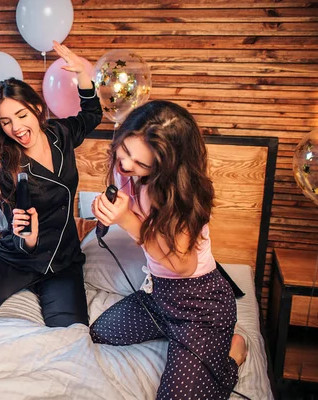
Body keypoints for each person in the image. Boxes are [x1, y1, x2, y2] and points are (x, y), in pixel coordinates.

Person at [0, 41, 103, 330]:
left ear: (37, 109)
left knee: (70, 334)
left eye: (22, 116)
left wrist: (82, 76)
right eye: (5, 122)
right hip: (17, 259)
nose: (16, 128)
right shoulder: (6, 168)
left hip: (62, 261)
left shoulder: (60, 134)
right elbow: (22, 237)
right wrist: (29, 237)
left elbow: (92, 114)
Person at [89, 100, 248, 399]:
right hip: (158, 295)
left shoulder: (185, 195)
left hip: (199, 304)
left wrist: (125, 220)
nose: (126, 166)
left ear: (167, 166)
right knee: (100, 333)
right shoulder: (126, 163)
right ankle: (173, 334)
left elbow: (182, 266)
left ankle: (233, 356)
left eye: (141, 164)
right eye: (125, 152)